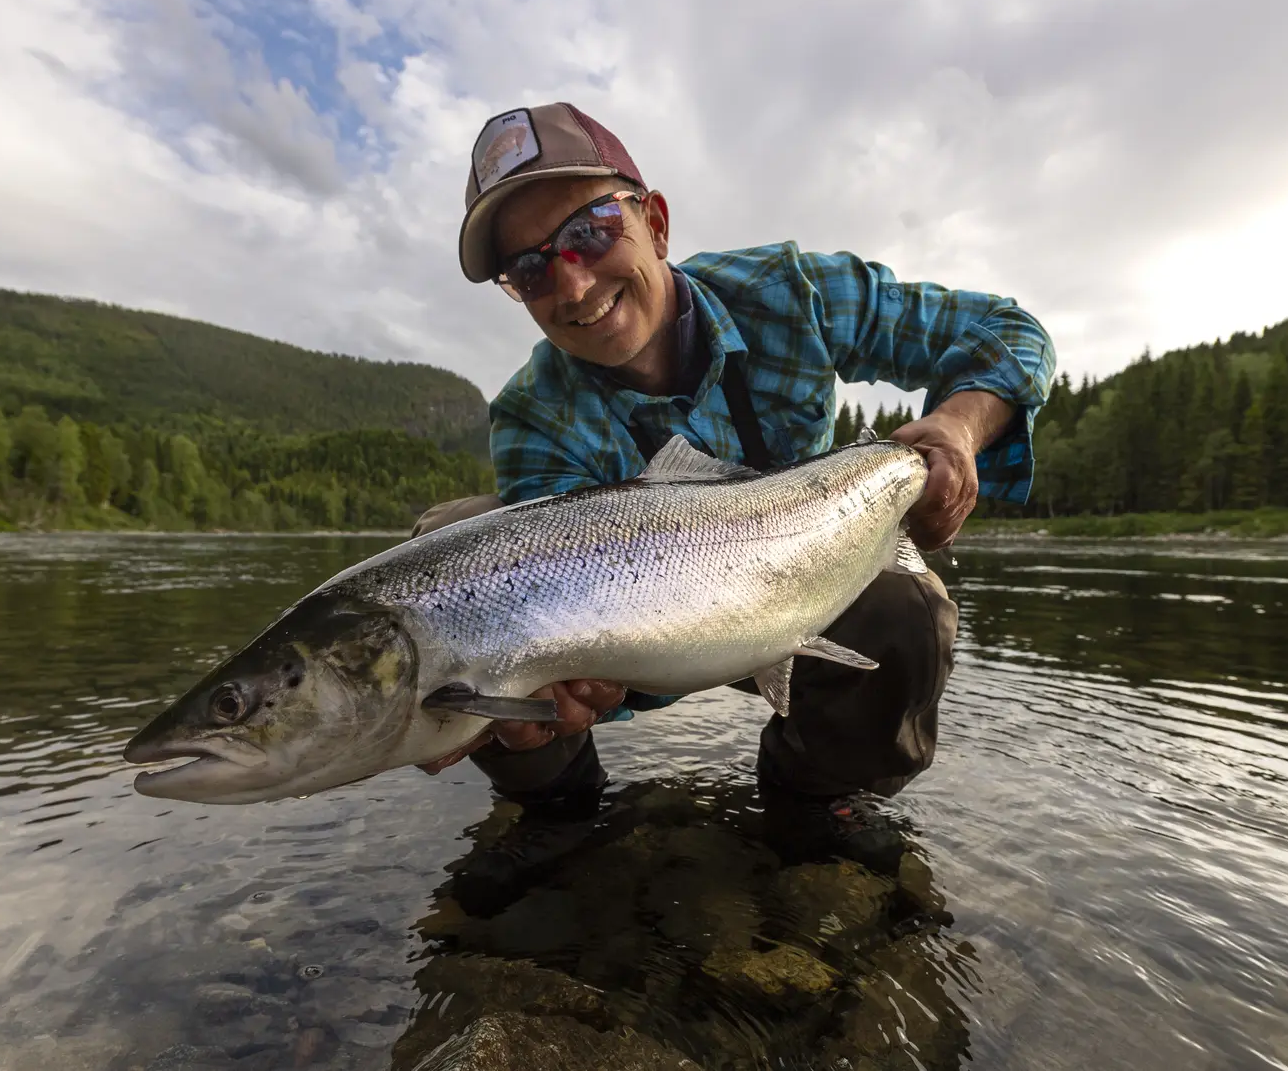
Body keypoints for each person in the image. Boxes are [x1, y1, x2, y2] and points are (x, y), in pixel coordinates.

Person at [413, 102, 1056, 872]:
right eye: (529, 267)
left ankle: (813, 796)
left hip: (809, 576)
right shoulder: (534, 416)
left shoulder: (792, 292)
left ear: (654, 220)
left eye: (588, 232)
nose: (573, 284)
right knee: (447, 559)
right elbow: (596, 659)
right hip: (646, 633)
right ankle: (556, 804)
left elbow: (1013, 333)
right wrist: (572, 689)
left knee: (911, 609)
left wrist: (957, 427)